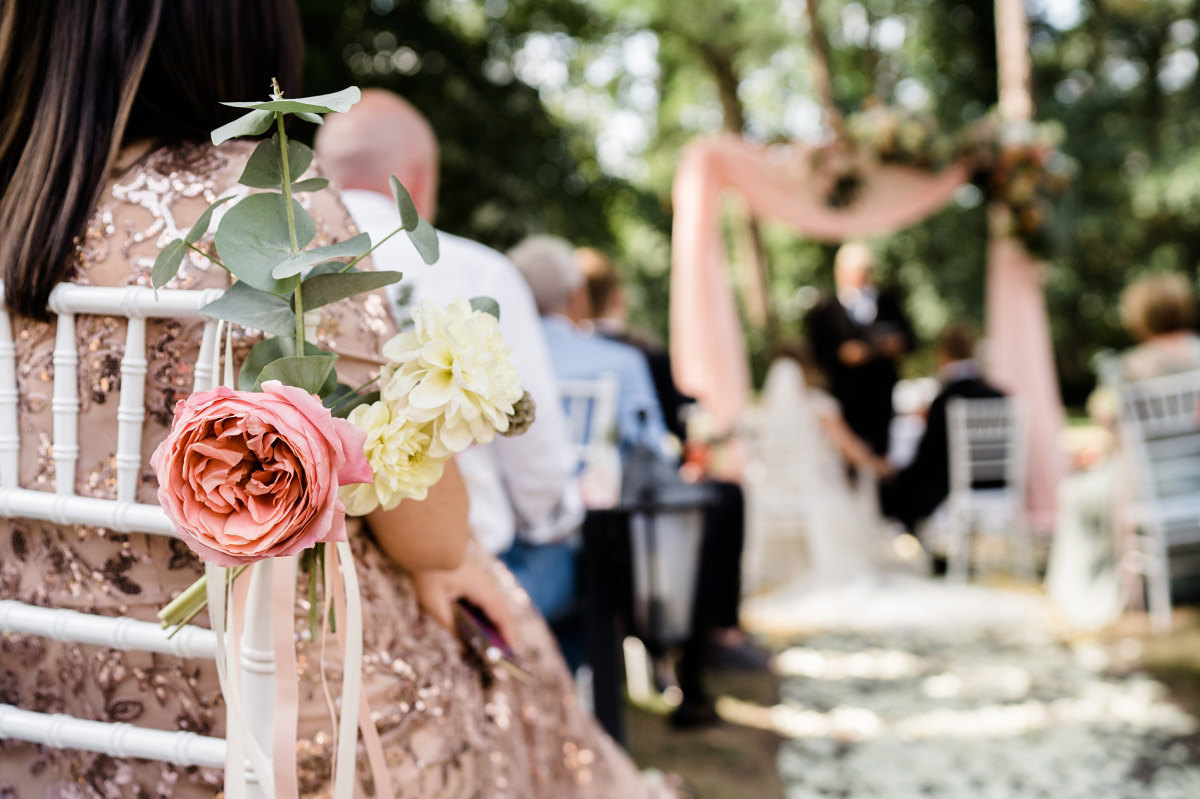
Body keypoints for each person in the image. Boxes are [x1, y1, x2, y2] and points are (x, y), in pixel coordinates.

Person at [0, 3, 659, 797]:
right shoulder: (266, 199)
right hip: (285, 725)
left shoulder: (17, 216)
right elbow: (431, 539)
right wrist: (452, 550)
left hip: (42, 714)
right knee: (503, 633)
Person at [314, 89, 584, 629]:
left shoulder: (282, 274)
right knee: (572, 558)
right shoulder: (478, 275)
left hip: (320, 569)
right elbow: (537, 466)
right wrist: (555, 516)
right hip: (466, 562)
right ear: (417, 180)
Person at [576, 247, 767, 675]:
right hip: (634, 506)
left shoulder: (543, 350)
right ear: (616, 297)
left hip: (572, 505)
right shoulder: (635, 354)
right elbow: (664, 439)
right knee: (719, 501)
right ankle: (712, 638)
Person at [1046, 272, 1200, 630]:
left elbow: (1110, 430)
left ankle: (1080, 589)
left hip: (1151, 486)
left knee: (1075, 492)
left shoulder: (1128, 368)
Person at [509, 235, 668, 453]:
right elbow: (652, 446)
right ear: (576, 295)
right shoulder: (623, 364)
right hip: (604, 486)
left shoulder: (497, 367)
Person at [880, 322, 1004, 532]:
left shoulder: (946, 400)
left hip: (951, 487)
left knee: (892, 488)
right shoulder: (1000, 397)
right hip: (998, 483)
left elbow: (927, 457)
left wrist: (897, 473)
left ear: (944, 353)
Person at [805, 241, 914, 457]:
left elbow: (911, 339)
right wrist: (841, 354)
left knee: (883, 452)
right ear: (839, 273)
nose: (858, 277)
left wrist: (895, 345)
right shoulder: (824, 309)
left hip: (881, 394)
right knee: (849, 454)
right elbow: (815, 351)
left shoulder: (888, 303)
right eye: (852, 272)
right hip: (844, 395)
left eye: (862, 271)